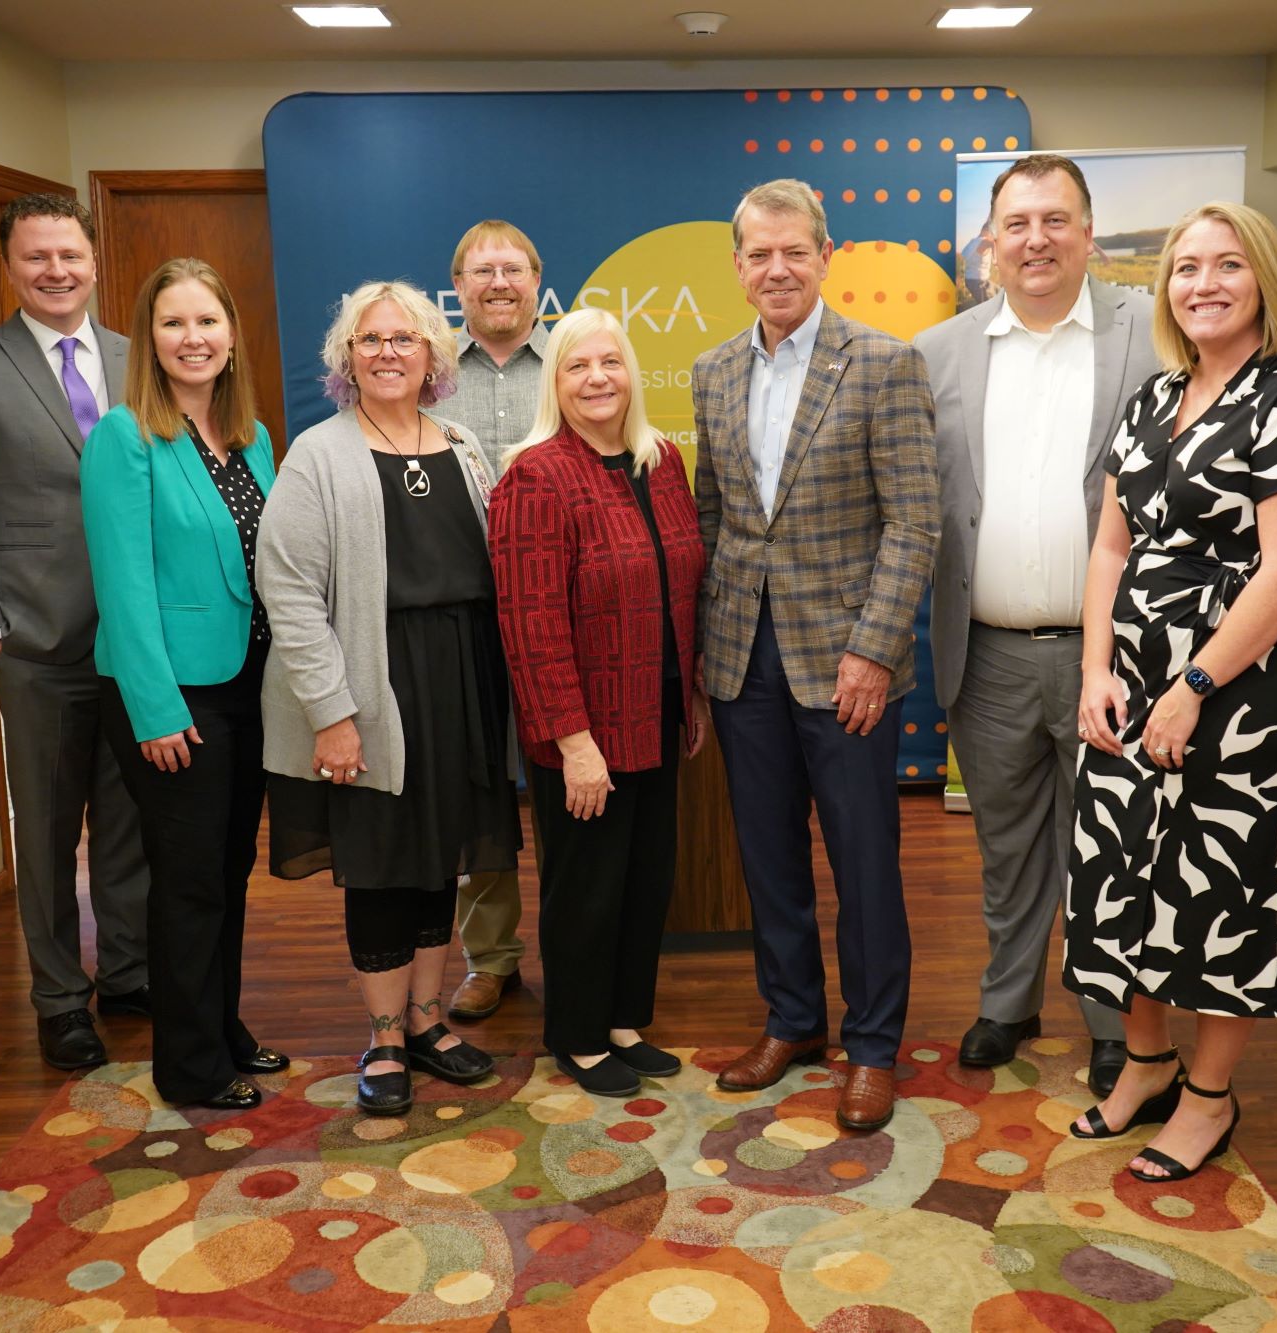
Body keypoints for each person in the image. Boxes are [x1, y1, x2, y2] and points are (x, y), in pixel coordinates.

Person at [1060, 202, 1277, 1183]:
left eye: (1226, 265)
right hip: (1127, 692)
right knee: (1127, 884)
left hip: (1243, 701)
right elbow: (1109, 543)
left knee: (1217, 895)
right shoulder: (1151, 400)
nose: (1201, 284)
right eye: (1184, 268)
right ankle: (1143, 1065)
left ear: (1263, 277)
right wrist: (1096, 668)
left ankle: (1207, 1097)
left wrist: (1189, 685)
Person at [694, 179, 940, 1132]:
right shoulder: (713, 372)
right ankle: (792, 1018)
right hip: (742, 660)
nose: (778, 268)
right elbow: (717, 519)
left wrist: (873, 651)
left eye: (794, 250)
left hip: (846, 664)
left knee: (865, 862)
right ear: (740, 266)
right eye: (759, 253)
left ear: (825, 256)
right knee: (768, 858)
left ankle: (872, 1044)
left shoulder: (882, 363)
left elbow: (915, 522)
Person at [913, 154, 1156, 1092]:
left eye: (1056, 220)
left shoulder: (1153, 337)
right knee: (1007, 847)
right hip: (987, 653)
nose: (1036, 240)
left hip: (1117, 658)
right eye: (1016, 224)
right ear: (990, 242)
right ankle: (1007, 1002)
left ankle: (1111, 1016)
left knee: (1112, 845)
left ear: (1089, 234)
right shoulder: (941, 352)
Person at [257, 280, 516, 1117]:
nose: (388, 353)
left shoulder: (465, 443)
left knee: (439, 856)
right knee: (380, 867)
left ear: (435, 356)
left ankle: (430, 1021)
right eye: (370, 341)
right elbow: (289, 590)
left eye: (405, 339)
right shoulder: (319, 452)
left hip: (461, 682)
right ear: (345, 359)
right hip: (374, 686)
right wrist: (333, 712)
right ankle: (384, 1037)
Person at [0, 194, 150, 1071]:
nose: (56, 271)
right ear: (8, 268)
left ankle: (129, 972)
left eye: (70, 255)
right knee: (49, 834)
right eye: (36, 258)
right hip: (38, 647)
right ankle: (60, 998)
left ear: (95, 262)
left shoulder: (139, 359)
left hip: (136, 649)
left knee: (130, 827)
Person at [489, 308, 710, 1097]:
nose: (597, 379)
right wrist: (573, 740)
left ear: (632, 373)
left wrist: (693, 697)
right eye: (577, 366)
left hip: (657, 709)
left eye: (609, 363)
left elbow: (685, 583)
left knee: (646, 877)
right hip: (583, 726)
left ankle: (623, 1019)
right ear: (557, 382)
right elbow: (530, 620)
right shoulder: (535, 474)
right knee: (586, 885)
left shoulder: (663, 462)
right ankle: (578, 1035)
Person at [82, 259, 283, 1110]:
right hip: (174, 698)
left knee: (229, 871)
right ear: (148, 338)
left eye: (207, 321)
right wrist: (156, 707)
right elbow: (122, 586)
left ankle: (222, 1027)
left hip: (249, 687)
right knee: (190, 879)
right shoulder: (124, 437)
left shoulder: (250, 435)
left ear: (231, 335)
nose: (192, 338)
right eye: (174, 323)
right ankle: (189, 1065)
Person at [442, 219, 549, 1022]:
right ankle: (491, 958)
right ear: (459, 286)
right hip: (464, 615)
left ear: (538, 279)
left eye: (512, 269)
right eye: (482, 272)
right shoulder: (429, 371)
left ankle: (582, 941)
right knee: (479, 790)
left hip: (559, 618)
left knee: (571, 782)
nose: (499, 283)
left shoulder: (574, 360)